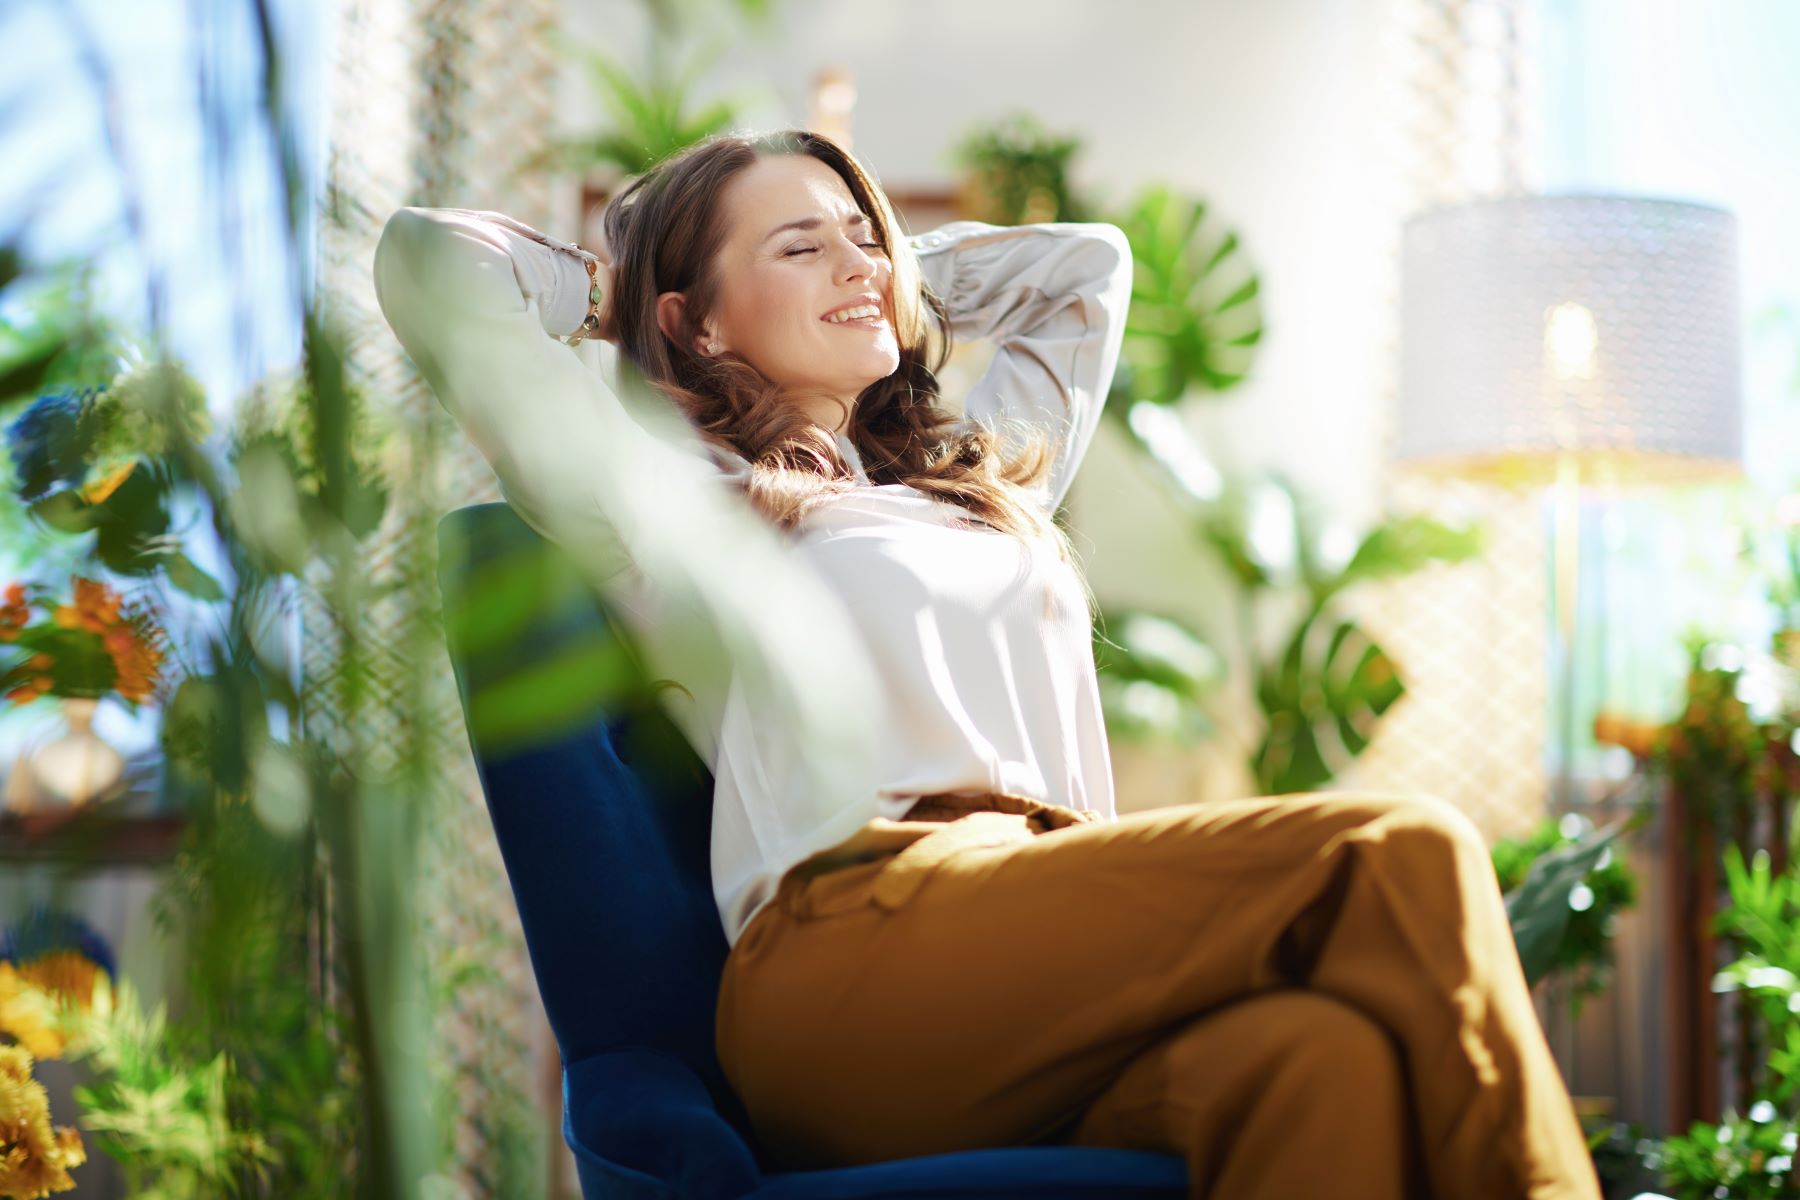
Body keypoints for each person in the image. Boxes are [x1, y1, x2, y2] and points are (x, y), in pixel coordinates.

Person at [372, 128, 1603, 1199]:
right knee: (1401, 855)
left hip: (1036, 935)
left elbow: (1088, 272)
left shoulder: (973, 486)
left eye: (868, 241)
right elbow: (430, 262)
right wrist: (624, 289)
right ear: (692, 318)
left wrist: (865, 279)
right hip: (852, 955)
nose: (858, 264)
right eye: (800, 248)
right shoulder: (672, 500)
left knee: (1315, 1066)